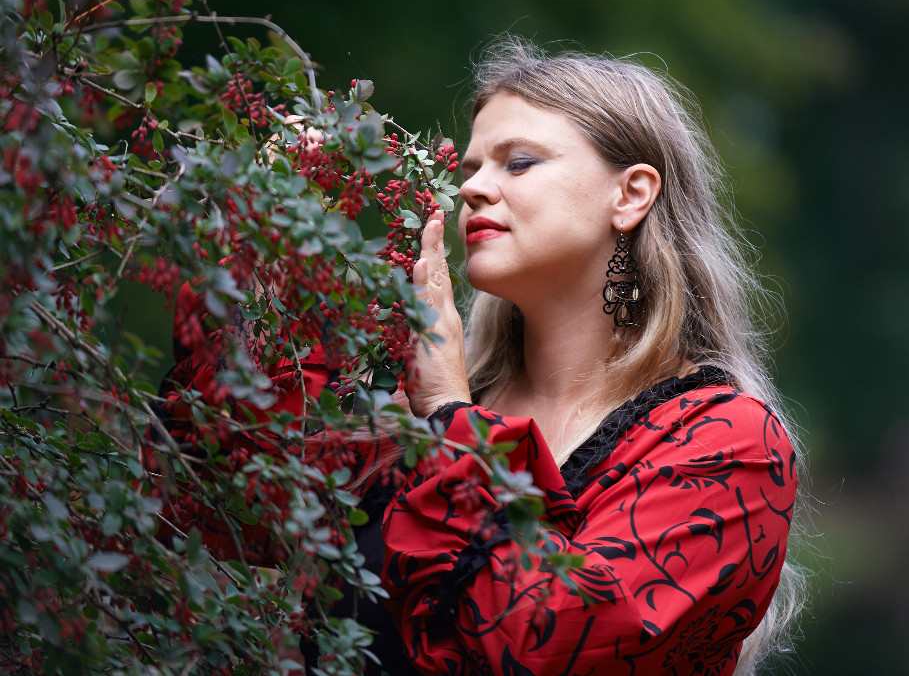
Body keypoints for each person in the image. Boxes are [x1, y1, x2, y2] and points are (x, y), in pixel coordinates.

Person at [155, 38, 805, 676]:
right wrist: (267, 249)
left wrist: (449, 414)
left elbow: (549, 644)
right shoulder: (413, 417)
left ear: (630, 194)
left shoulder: (728, 443)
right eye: (469, 169)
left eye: (518, 163)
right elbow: (214, 499)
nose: (472, 190)